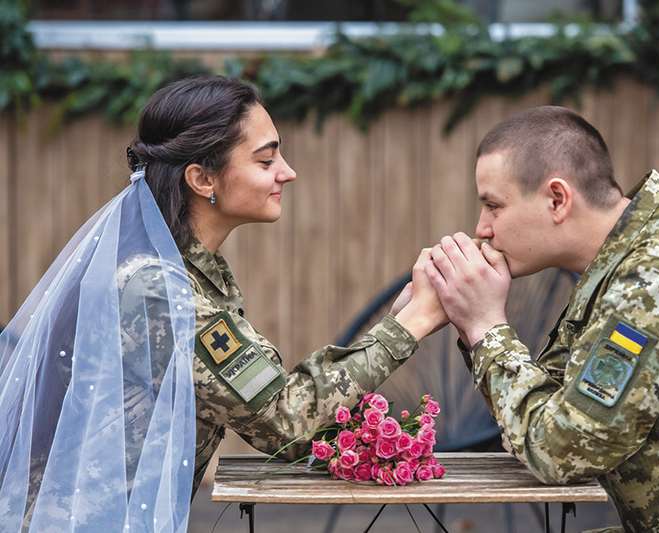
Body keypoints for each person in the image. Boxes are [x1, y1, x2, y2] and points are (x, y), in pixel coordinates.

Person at [0, 76, 445, 532]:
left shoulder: (184, 269)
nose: (286, 172)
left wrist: (396, 321)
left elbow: (267, 403)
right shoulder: (155, 290)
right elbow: (285, 423)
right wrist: (412, 323)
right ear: (202, 178)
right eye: (266, 159)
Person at [423, 106, 659, 531]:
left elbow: (561, 452)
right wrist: (471, 319)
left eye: (493, 206)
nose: (482, 228)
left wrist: (485, 329)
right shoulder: (624, 261)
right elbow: (541, 414)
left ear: (557, 199)